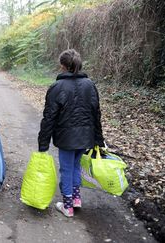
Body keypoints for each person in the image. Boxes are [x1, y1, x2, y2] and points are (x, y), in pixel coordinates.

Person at [38, 49, 105, 217]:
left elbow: (49, 117)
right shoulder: (90, 84)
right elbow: (96, 113)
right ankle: (76, 198)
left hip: (67, 139)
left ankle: (67, 206)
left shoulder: (57, 87)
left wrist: (43, 143)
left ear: (62, 66)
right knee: (75, 166)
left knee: (67, 169)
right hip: (86, 137)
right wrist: (98, 139)